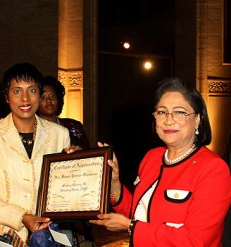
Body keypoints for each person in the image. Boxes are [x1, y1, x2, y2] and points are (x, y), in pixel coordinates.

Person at [89, 78, 231, 246]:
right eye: (162, 112)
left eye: (179, 112)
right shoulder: (152, 157)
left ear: (198, 119)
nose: (168, 120)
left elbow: (194, 241)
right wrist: (114, 182)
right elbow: (138, 212)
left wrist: (131, 227)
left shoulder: (213, 168)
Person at [0, 63, 76, 242]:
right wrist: (21, 216)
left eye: (31, 90)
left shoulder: (59, 135)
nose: (25, 98)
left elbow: (64, 191)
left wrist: (76, 165)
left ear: (39, 95)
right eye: (17, 91)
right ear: (7, 97)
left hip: (47, 236)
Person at [37, 76, 90, 149]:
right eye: (43, 97)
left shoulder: (75, 126)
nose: (48, 100)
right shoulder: (33, 130)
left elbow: (88, 154)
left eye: (52, 96)